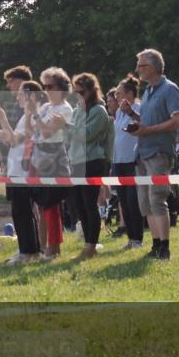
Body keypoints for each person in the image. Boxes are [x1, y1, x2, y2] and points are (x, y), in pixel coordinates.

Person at [127, 49, 179, 261]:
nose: (137, 70)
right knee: (145, 203)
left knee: (157, 198)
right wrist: (131, 114)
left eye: (140, 65)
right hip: (142, 152)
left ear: (151, 67)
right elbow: (147, 120)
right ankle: (156, 244)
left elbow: (178, 121)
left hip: (159, 152)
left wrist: (147, 131)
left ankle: (165, 248)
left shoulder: (170, 89)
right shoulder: (148, 91)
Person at [0, 81, 43, 263]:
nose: (17, 97)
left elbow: (17, 140)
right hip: (17, 170)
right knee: (20, 212)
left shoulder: (33, 117)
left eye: (21, 94)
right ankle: (28, 250)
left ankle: (29, 252)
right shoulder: (25, 117)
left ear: (32, 96)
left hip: (23, 172)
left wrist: (2, 118)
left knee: (23, 212)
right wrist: (7, 136)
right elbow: (14, 141)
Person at [30, 69, 75, 260]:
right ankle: (42, 247)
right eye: (45, 86)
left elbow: (46, 132)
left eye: (50, 86)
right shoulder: (46, 107)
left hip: (55, 158)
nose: (46, 90)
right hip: (40, 157)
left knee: (51, 206)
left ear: (61, 88)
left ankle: (54, 248)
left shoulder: (65, 109)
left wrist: (36, 116)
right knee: (42, 206)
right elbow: (35, 129)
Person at [66, 73, 110, 260]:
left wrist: (66, 126)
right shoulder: (78, 110)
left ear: (92, 90)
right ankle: (88, 245)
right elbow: (71, 136)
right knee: (79, 205)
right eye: (75, 92)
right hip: (76, 162)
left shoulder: (99, 111)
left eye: (81, 92)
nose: (78, 95)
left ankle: (91, 246)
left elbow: (87, 135)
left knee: (89, 204)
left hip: (92, 162)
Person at [113, 75, 144, 249]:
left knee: (133, 202)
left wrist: (131, 112)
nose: (116, 96)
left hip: (132, 161)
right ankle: (131, 238)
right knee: (123, 202)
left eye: (119, 93)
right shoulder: (118, 112)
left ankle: (138, 239)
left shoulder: (139, 107)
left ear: (130, 94)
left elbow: (144, 123)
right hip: (118, 162)